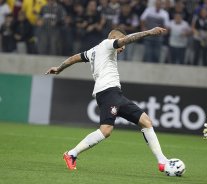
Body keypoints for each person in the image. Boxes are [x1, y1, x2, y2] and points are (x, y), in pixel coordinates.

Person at [45, 27, 168, 172]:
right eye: (122, 45)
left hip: (115, 94)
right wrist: (149, 32)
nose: (123, 48)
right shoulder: (107, 44)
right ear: (115, 39)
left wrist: (59, 68)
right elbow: (127, 39)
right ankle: (71, 154)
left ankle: (162, 161)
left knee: (146, 122)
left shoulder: (93, 51)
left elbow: (74, 58)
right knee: (106, 130)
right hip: (107, 92)